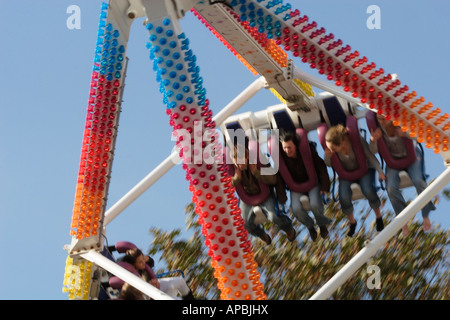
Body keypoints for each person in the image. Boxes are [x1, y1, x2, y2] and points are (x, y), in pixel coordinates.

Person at [369, 114, 436, 236]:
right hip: (394, 160)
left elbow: (418, 137)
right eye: (379, 118)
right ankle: (403, 218)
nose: (382, 121)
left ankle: (425, 214)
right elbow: (373, 150)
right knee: (390, 188)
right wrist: (373, 140)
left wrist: (406, 134)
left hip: (412, 157)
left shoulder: (401, 124)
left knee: (418, 181)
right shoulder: (379, 130)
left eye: (384, 118)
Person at [324, 124, 385, 237]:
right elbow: (328, 163)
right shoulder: (334, 151)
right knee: (343, 196)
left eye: (333, 148)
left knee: (368, 189)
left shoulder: (357, 141)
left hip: (364, 170)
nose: (331, 150)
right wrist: (328, 156)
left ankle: (378, 216)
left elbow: (370, 156)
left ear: (341, 143)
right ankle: (352, 222)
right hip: (347, 174)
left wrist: (380, 171)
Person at [231, 144, 297, 245]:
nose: (240, 165)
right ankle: (262, 234)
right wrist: (236, 178)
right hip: (248, 198)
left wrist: (257, 173)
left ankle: (288, 228)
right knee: (244, 223)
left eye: (241, 161)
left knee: (273, 216)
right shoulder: (234, 169)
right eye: (237, 163)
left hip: (265, 196)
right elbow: (227, 184)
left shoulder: (260, 161)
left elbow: (273, 179)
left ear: (247, 156)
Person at [279, 130, 332, 240]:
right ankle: (310, 226)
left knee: (315, 204)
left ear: (296, 145)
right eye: (285, 147)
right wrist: (282, 197)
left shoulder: (307, 152)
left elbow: (321, 167)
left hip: (312, 183)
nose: (287, 150)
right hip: (296, 187)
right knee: (296, 209)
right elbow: (279, 178)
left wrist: (324, 187)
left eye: (290, 147)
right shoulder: (283, 158)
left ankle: (321, 224)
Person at [122, 248, 195, 300]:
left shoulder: (143, 266)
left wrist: (146, 258)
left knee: (179, 281)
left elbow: (150, 263)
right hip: (148, 295)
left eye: (143, 260)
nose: (143, 263)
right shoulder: (130, 274)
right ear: (134, 264)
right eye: (140, 262)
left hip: (155, 286)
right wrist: (151, 287)